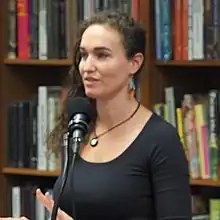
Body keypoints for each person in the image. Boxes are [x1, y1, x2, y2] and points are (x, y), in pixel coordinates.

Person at [2, 10, 191, 220]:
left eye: (102, 55)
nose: (87, 67)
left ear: (134, 63)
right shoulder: (79, 128)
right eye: (84, 55)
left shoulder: (161, 140)